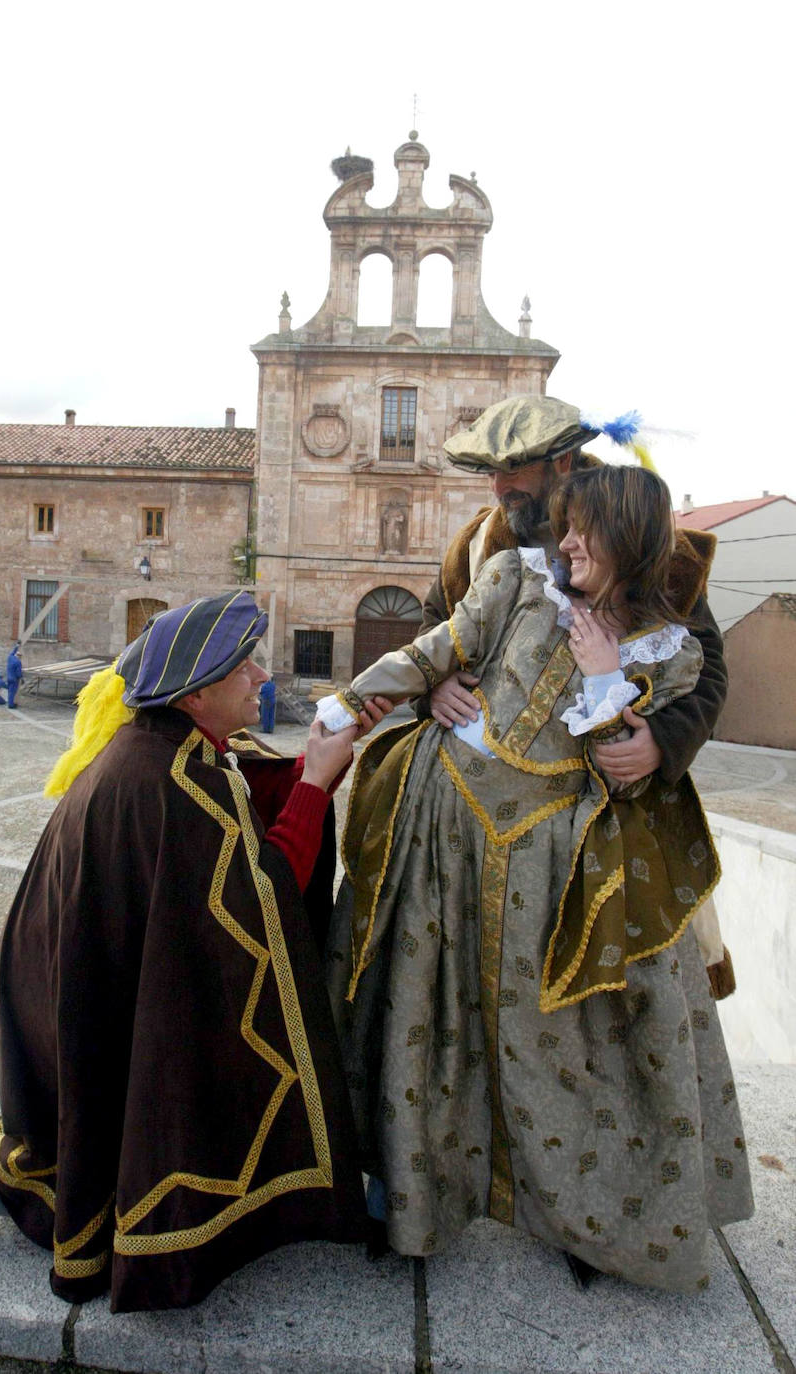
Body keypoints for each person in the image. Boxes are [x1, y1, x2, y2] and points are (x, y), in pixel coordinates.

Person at [0, 591, 392, 1312]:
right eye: (247, 668)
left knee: (121, 1125)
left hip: (85, 972)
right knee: (82, 1149)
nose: (263, 679)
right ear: (199, 691)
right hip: (77, 988)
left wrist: (310, 765)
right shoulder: (166, 779)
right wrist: (316, 782)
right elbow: (254, 898)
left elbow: (239, 806)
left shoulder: (173, 743)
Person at [316, 462, 753, 1294]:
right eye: (561, 521)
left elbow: (627, 753)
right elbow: (441, 641)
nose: (564, 538)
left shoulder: (669, 637)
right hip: (445, 830)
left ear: (628, 536)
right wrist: (368, 698)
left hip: (559, 853)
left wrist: (613, 690)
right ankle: (405, 1191)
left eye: (582, 524)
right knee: (420, 1003)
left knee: (565, 1040)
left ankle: (585, 1212)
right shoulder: (516, 573)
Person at [424, 394, 734, 996]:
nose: (497, 489)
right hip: (492, 812)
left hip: (611, 800)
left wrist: (662, 743)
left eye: (511, 470)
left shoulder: (636, 525)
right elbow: (434, 624)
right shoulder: (477, 541)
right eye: (491, 472)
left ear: (560, 462)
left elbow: (707, 665)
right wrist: (434, 684)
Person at [6, 644, 23, 709]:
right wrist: (21, 677)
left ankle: (10, 703)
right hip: (14, 679)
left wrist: (17, 646)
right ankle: (11, 705)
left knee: (10, 691)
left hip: (8, 677)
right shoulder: (18, 662)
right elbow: (18, 673)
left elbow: (13, 652)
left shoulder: (10, 657)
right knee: (12, 692)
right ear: (19, 656)